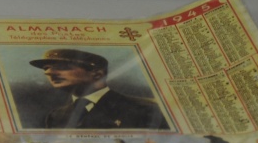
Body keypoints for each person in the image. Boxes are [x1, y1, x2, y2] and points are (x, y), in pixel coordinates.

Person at [29, 48, 167, 130]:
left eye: (62, 67)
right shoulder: (56, 116)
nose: (49, 73)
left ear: (97, 74)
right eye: (46, 68)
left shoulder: (143, 108)